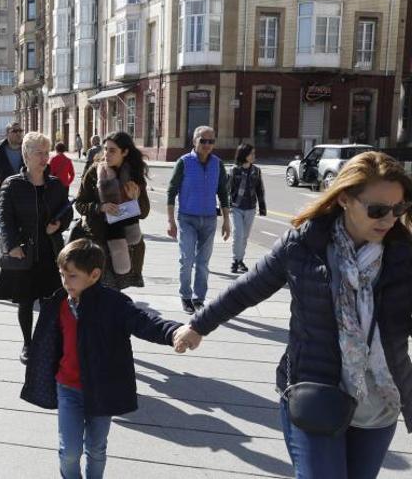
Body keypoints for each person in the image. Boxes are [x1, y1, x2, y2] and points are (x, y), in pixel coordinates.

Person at [174, 151, 412, 479]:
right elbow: (248, 288)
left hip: (379, 404)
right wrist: (198, 325)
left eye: (398, 209)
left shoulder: (403, 255)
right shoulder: (304, 245)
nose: (389, 220)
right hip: (317, 393)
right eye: (378, 210)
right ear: (345, 199)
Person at [21, 238, 182, 479]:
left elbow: (144, 322)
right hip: (68, 388)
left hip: (101, 390)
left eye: (72, 276)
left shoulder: (114, 304)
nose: (65, 282)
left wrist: (173, 332)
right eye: (62, 274)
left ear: (94, 275)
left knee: (96, 448)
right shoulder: (58, 303)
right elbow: (48, 343)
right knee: (70, 451)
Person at [0, 131, 71, 364]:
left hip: (50, 251)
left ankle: (46, 342)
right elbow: (5, 219)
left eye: (46, 152)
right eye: (39, 153)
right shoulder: (12, 184)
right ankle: (28, 343)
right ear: (26, 155)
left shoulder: (56, 185)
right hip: (23, 252)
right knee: (26, 301)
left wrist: (58, 225)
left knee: (51, 302)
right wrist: (12, 246)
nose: (44, 157)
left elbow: (67, 212)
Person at [166, 125, 231, 314]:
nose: (207, 145)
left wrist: (226, 221)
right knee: (187, 260)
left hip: (209, 219)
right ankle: (186, 296)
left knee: (203, 262)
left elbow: (223, 193)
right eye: (203, 140)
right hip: (187, 218)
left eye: (211, 141)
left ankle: (199, 298)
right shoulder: (184, 162)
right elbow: (171, 191)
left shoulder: (218, 164)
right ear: (194, 141)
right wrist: (170, 221)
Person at [75, 132, 150, 290]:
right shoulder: (95, 172)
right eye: (105, 149)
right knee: (99, 291)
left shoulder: (134, 175)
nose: (106, 154)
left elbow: (144, 212)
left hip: (127, 242)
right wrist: (100, 207)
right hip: (98, 241)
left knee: (116, 293)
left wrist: (134, 198)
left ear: (125, 152)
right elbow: (80, 204)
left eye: (112, 150)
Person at [229, 143, 267, 274]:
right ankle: (235, 260)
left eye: (254, 153)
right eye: (251, 153)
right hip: (236, 207)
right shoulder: (234, 170)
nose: (253, 156)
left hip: (250, 208)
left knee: (245, 236)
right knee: (238, 234)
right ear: (244, 155)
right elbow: (228, 189)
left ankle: (240, 260)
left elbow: (260, 189)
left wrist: (262, 207)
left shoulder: (256, 170)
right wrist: (226, 206)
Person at [0, 122, 25, 220]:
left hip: (25, 198)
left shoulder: (28, 149)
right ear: (7, 133)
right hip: (4, 198)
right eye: (15, 131)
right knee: (7, 232)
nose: (18, 133)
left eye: (20, 131)